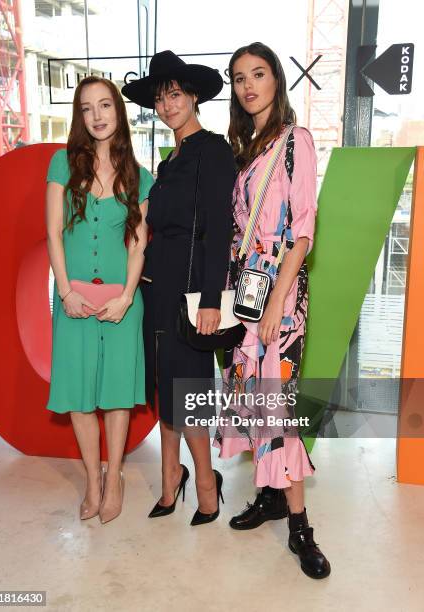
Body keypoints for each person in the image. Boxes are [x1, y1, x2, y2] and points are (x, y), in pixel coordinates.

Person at [214, 42, 331, 578]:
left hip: (280, 300)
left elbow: (302, 232)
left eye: (257, 74)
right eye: (239, 78)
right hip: (249, 297)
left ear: (276, 81)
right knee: (253, 400)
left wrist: (277, 304)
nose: (248, 85)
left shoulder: (295, 142)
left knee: (278, 408)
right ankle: (269, 496)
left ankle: (300, 527)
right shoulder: (247, 151)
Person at [123, 51, 236, 525]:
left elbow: (219, 230)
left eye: (174, 94)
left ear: (192, 97)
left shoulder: (212, 150)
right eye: (159, 98)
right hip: (156, 292)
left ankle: (206, 484)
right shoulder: (169, 163)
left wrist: (211, 300)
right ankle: (172, 479)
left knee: (187, 392)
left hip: (190, 296)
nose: (167, 105)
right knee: (166, 389)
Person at [46, 76, 154, 524]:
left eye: (105, 105)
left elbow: (138, 244)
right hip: (74, 302)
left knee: (114, 398)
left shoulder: (140, 176)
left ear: (118, 111)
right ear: (79, 116)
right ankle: (93, 479)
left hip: (119, 304)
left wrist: (127, 297)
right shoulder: (61, 164)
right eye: (87, 108)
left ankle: (115, 480)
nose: (97, 115)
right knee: (79, 398)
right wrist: (66, 291)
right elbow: (52, 232)